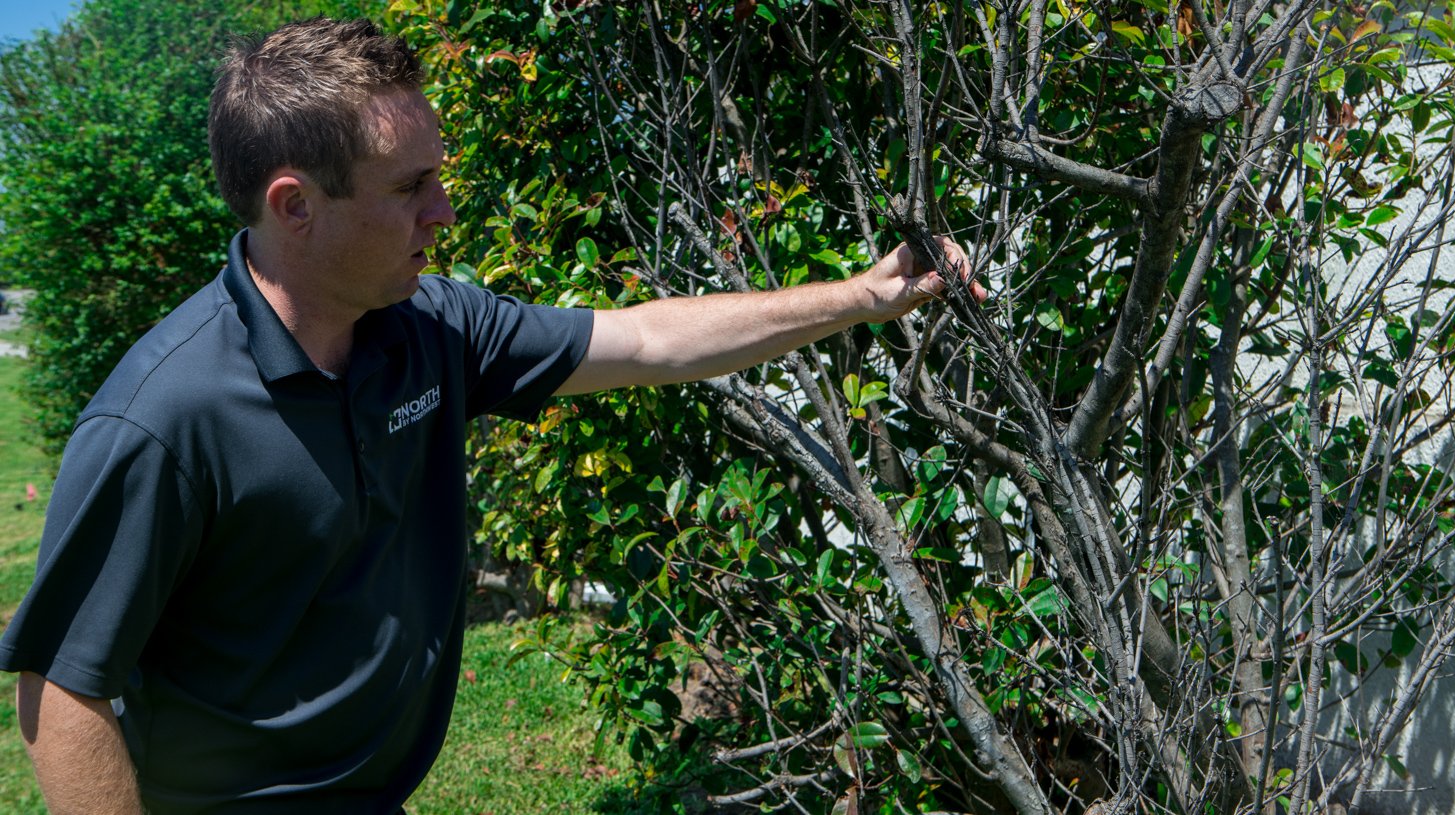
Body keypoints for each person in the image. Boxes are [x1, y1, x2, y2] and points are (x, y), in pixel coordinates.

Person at [0, 17, 981, 815]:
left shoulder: (425, 325)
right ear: (295, 206)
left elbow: (647, 340)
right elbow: (63, 685)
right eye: (411, 187)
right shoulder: (165, 418)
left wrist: (861, 294)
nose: (447, 211)